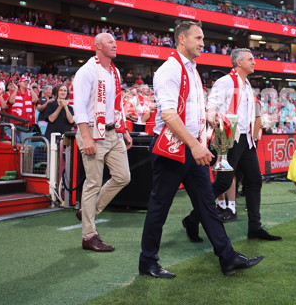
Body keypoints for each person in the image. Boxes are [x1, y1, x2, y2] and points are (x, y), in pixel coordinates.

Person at [139, 20, 263, 278]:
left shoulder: (192, 70)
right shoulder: (170, 70)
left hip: (190, 148)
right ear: (182, 39)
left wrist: (211, 116)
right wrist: (196, 145)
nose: (203, 43)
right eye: (199, 38)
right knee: (159, 207)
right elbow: (168, 114)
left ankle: (227, 258)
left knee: (207, 204)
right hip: (174, 150)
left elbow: (193, 112)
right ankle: (147, 261)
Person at [182, 48, 282, 240]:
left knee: (254, 181)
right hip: (228, 136)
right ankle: (193, 219)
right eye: (250, 59)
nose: (254, 62)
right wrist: (213, 117)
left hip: (245, 139)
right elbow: (211, 106)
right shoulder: (225, 81)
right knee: (223, 182)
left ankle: (255, 227)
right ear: (238, 63)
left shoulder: (246, 83)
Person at [73, 32, 132, 252]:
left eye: (115, 42)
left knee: (123, 176)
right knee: (93, 183)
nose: (115, 45)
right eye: (110, 42)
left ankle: (88, 211)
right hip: (92, 132)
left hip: (113, 132)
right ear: (98, 46)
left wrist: (123, 129)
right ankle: (89, 236)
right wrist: (86, 136)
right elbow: (78, 107)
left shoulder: (114, 71)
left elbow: (117, 104)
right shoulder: (86, 71)